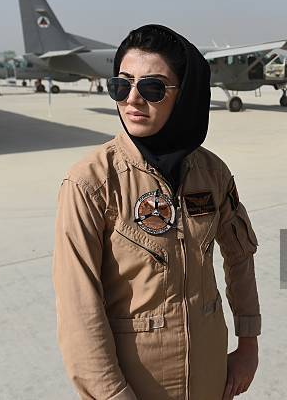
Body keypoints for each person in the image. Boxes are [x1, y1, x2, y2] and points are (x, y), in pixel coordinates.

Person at [53, 24, 261, 400]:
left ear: (185, 96)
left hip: (210, 375)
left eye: (152, 88)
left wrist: (248, 344)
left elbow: (240, 255)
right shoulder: (91, 182)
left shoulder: (211, 173)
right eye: (121, 85)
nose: (132, 99)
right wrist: (111, 395)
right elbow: (78, 305)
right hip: (137, 384)